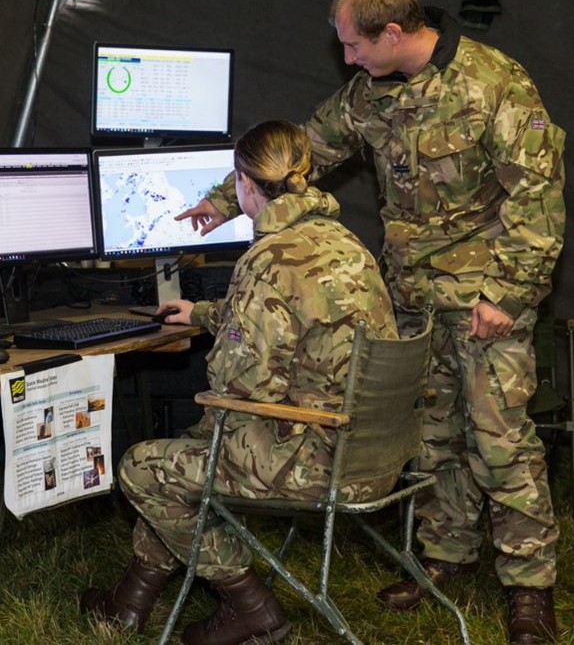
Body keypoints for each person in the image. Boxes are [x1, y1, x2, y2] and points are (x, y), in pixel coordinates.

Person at [175, 0, 566, 644]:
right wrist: (219, 195)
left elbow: (537, 197)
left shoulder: (494, 84)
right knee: (432, 435)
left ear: (393, 32)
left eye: (353, 46)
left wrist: (506, 294)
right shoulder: (368, 94)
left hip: (484, 298)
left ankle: (529, 587)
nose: (346, 60)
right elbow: (304, 147)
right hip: (411, 296)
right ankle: (443, 559)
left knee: (500, 441)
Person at [80, 120, 397, 645]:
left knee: (143, 466)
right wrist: (205, 313)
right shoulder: (341, 242)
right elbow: (297, 316)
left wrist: (221, 344)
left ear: (245, 183)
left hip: (316, 459)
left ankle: (252, 606)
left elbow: (238, 384)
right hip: (372, 450)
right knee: (182, 457)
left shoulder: (267, 258)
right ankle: (128, 603)